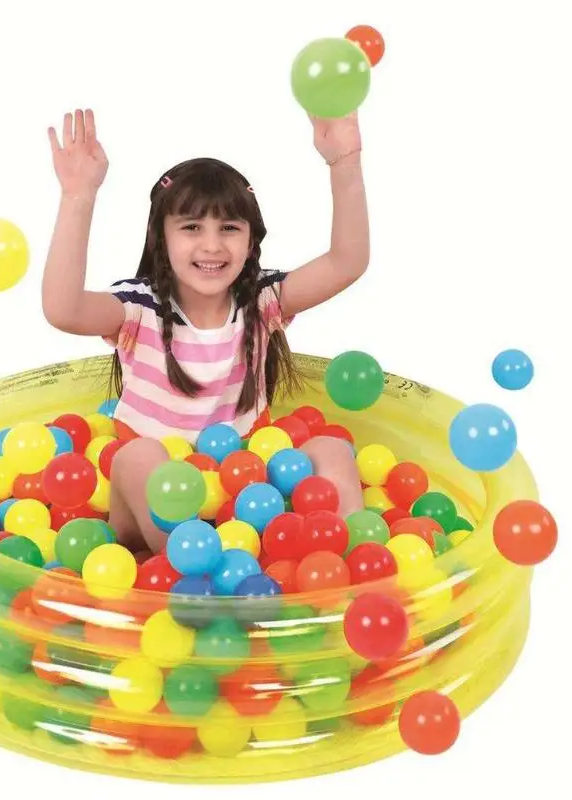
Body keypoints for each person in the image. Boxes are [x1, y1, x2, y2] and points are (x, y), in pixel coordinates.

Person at [42, 108, 370, 554]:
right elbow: (63, 310)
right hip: (155, 504)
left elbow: (347, 262)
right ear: (162, 238)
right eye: (192, 227)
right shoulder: (139, 308)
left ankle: (348, 571)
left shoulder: (261, 300)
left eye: (229, 228)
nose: (212, 245)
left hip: (249, 489)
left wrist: (345, 161)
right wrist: (77, 196)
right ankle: (193, 570)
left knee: (331, 449)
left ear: (251, 242)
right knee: (139, 457)